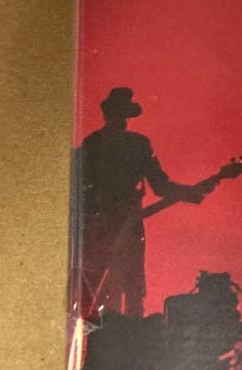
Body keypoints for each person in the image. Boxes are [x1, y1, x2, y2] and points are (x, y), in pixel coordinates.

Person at [72, 87, 212, 318]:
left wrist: (188, 193)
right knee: (125, 290)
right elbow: (161, 186)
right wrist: (188, 193)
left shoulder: (97, 143)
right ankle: (126, 332)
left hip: (107, 228)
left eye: (124, 115)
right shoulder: (128, 144)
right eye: (120, 114)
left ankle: (115, 332)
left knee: (123, 289)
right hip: (110, 229)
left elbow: (160, 185)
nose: (123, 120)